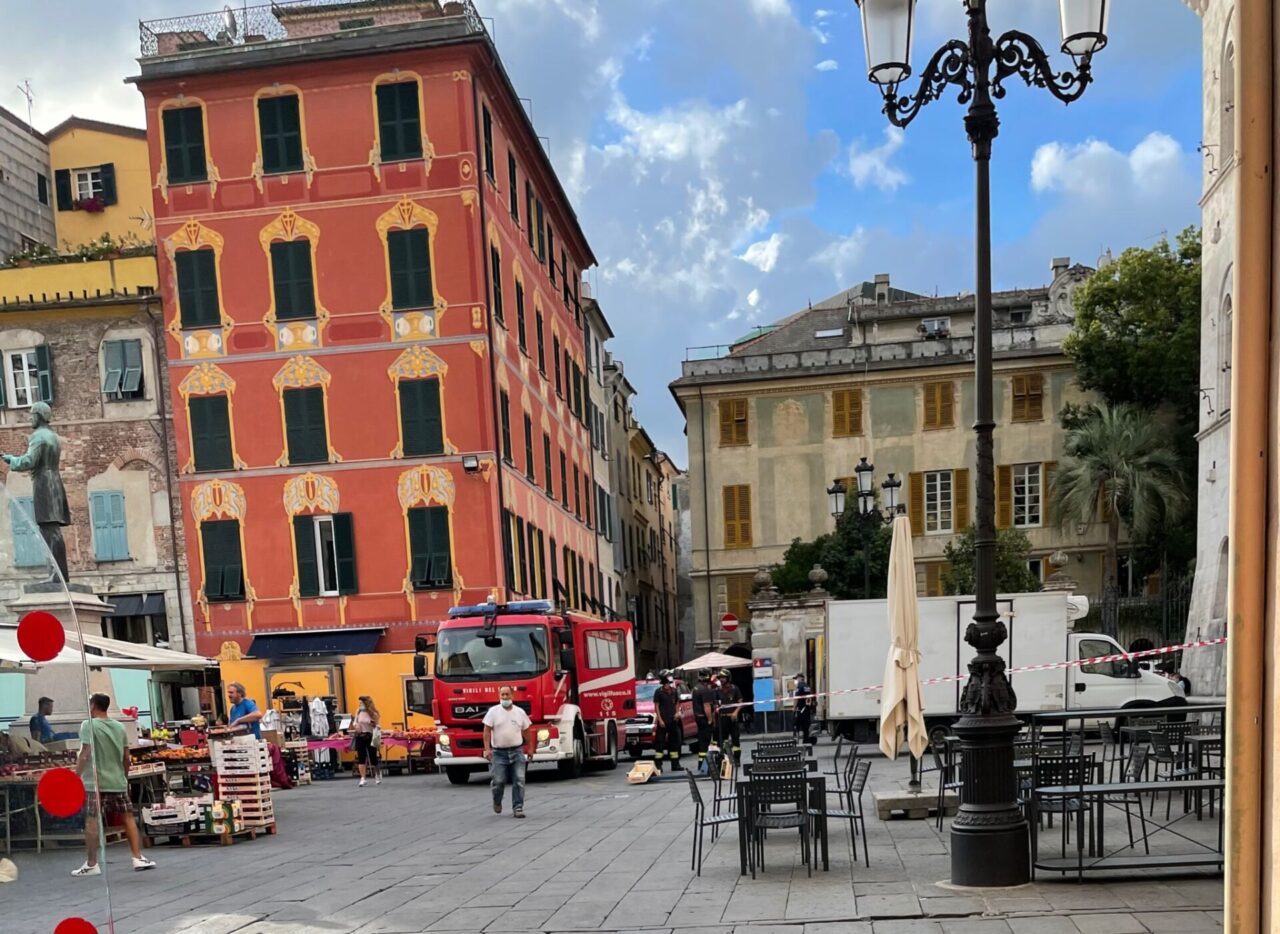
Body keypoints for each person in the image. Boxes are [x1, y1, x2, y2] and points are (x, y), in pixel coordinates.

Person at [73, 693, 155, 876]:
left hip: (94, 783)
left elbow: (85, 753)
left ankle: (92, 863)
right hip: (117, 780)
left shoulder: (88, 725)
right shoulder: (119, 727)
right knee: (127, 818)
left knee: (92, 820)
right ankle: (137, 857)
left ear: (93, 705)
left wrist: (75, 776)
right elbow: (126, 757)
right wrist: (124, 778)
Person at [482, 685, 533, 818]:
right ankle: (497, 800)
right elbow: (487, 731)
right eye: (502, 695)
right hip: (499, 753)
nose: (505, 697)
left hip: (517, 751)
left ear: (512, 696)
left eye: (507, 694)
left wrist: (531, 747)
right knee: (498, 780)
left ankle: (518, 807)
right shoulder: (493, 712)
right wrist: (487, 749)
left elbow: (527, 730)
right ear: (499, 696)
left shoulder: (520, 712)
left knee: (519, 779)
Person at [652, 671, 682, 773]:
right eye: (666, 684)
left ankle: (675, 764)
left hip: (673, 721)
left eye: (669, 684)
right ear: (663, 683)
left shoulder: (674, 691)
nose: (668, 686)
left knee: (674, 743)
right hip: (663, 722)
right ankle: (658, 765)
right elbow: (656, 707)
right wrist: (660, 720)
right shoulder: (658, 692)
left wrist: (677, 713)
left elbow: (677, 702)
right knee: (660, 744)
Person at [352, 695, 382, 787]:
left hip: (370, 736)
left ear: (367, 703)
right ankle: (363, 778)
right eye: (359, 703)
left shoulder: (373, 713)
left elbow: (378, 725)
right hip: (360, 736)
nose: (360, 704)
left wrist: (372, 724)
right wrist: (355, 725)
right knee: (361, 758)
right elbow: (355, 721)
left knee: (373, 758)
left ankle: (377, 775)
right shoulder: (358, 711)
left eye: (361, 703)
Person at [691, 669, 717, 773]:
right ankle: (705, 766)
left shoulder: (696, 688)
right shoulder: (705, 690)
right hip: (704, 719)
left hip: (698, 718)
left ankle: (701, 765)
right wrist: (710, 719)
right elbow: (706, 706)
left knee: (702, 741)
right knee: (706, 742)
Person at [716, 669, 743, 766]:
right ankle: (726, 759)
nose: (721, 680)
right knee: (723, 741)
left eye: (723, 677)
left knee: (736, 740)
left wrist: (735, 712)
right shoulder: (717, 690)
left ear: (728, 678)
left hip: (733, 718)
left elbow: (740, 703)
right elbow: (715, 705)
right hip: (722, 719)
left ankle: (737, 759)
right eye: (720, 678)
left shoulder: (735, 689)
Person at [793, 673, 813, 746]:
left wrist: (794, 708)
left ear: (799, 678)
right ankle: (806, 741)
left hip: (800, 709)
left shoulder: (799, 686)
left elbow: (797, 698)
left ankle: (796, 741)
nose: (796, 680)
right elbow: (809, 698)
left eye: (796, 679)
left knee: (796, 725)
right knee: (805, 727)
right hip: (807, 709)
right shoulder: (807, 686)